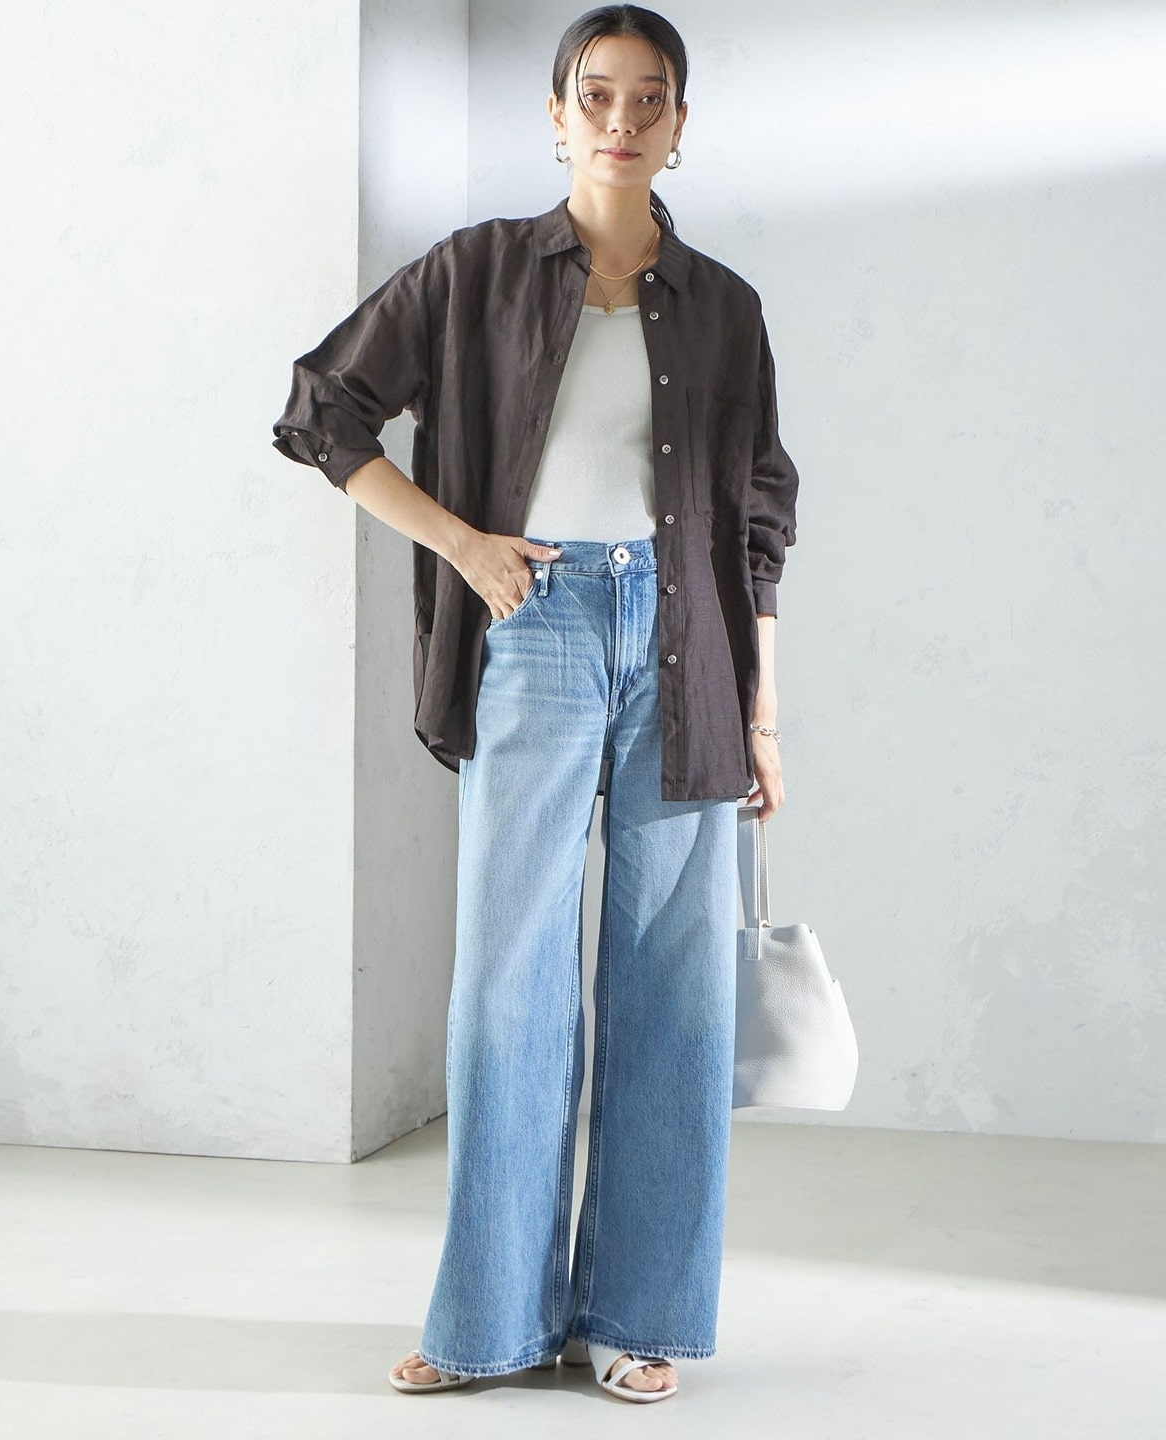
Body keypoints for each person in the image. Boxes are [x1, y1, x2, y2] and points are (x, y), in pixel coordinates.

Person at [272, 3, 799, 1406]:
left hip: (689, 649)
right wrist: (463, 545)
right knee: (508, 986)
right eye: (597, 95)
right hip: (539, 625)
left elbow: (758, 522)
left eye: (650, 98)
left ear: (680, 125)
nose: (622, 121)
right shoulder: (475, 271)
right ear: (557, 116)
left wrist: (761, 718)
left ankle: (637, 1316)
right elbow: (322, 409)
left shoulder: (727, 307)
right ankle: (491, 1322)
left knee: (672, 991)